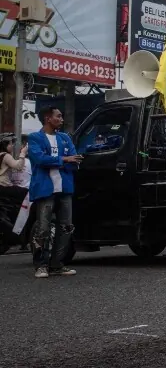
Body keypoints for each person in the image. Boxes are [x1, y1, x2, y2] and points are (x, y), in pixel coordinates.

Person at [28, 106, 82, 278]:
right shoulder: (35, 137)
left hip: (65, 189)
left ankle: (57, 264)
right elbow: (39, 159)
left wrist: (64, 160)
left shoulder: (65, 138)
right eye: (58, 116)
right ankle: (40, 265)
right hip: (45, 190)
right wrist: (64, 159)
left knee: (66, 228)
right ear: (47, 118)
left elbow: (75, 162)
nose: (61, 119)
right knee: (43, 229)